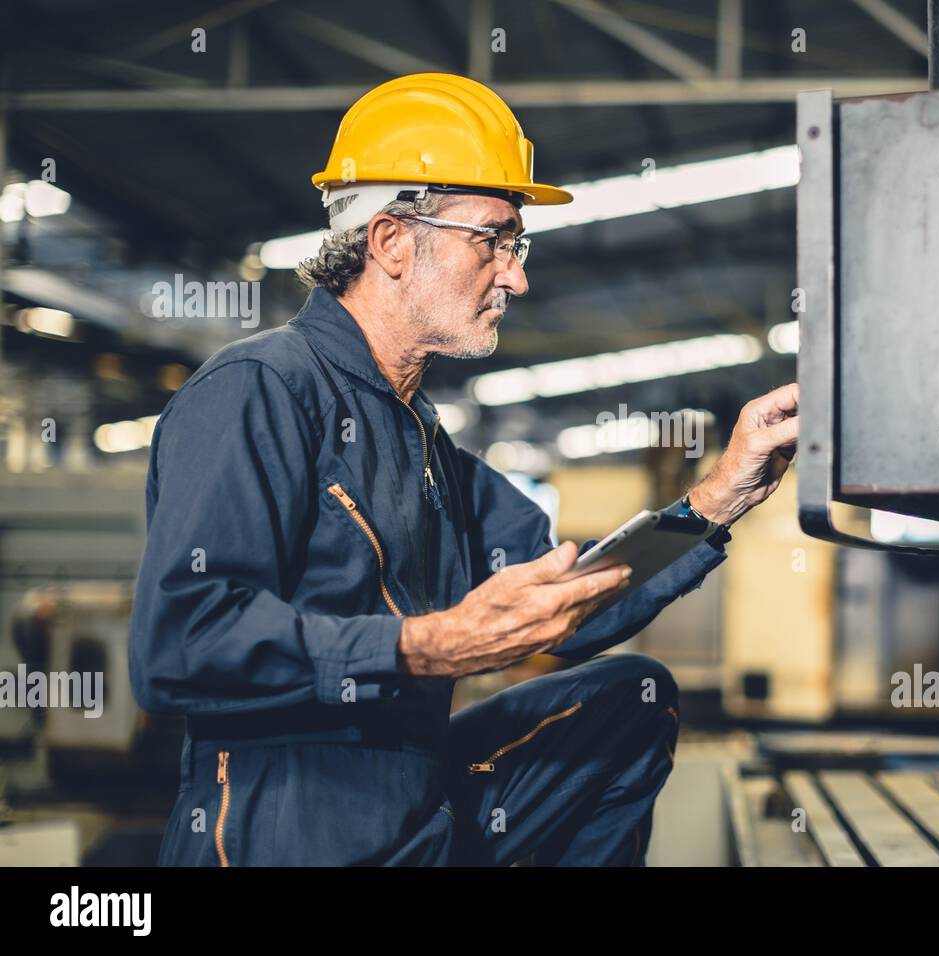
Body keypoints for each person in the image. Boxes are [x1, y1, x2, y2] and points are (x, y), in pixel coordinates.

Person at [129, 73, 799, 866]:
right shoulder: (259, 390)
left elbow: (580, 596)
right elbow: (179, 645)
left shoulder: (428, 449)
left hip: (413, 810)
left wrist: (723, 494)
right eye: (494, 240)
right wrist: (427, 645)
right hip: (283, 822)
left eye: (517, 246)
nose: (515, 276)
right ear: (391, 242)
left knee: (630, 698)